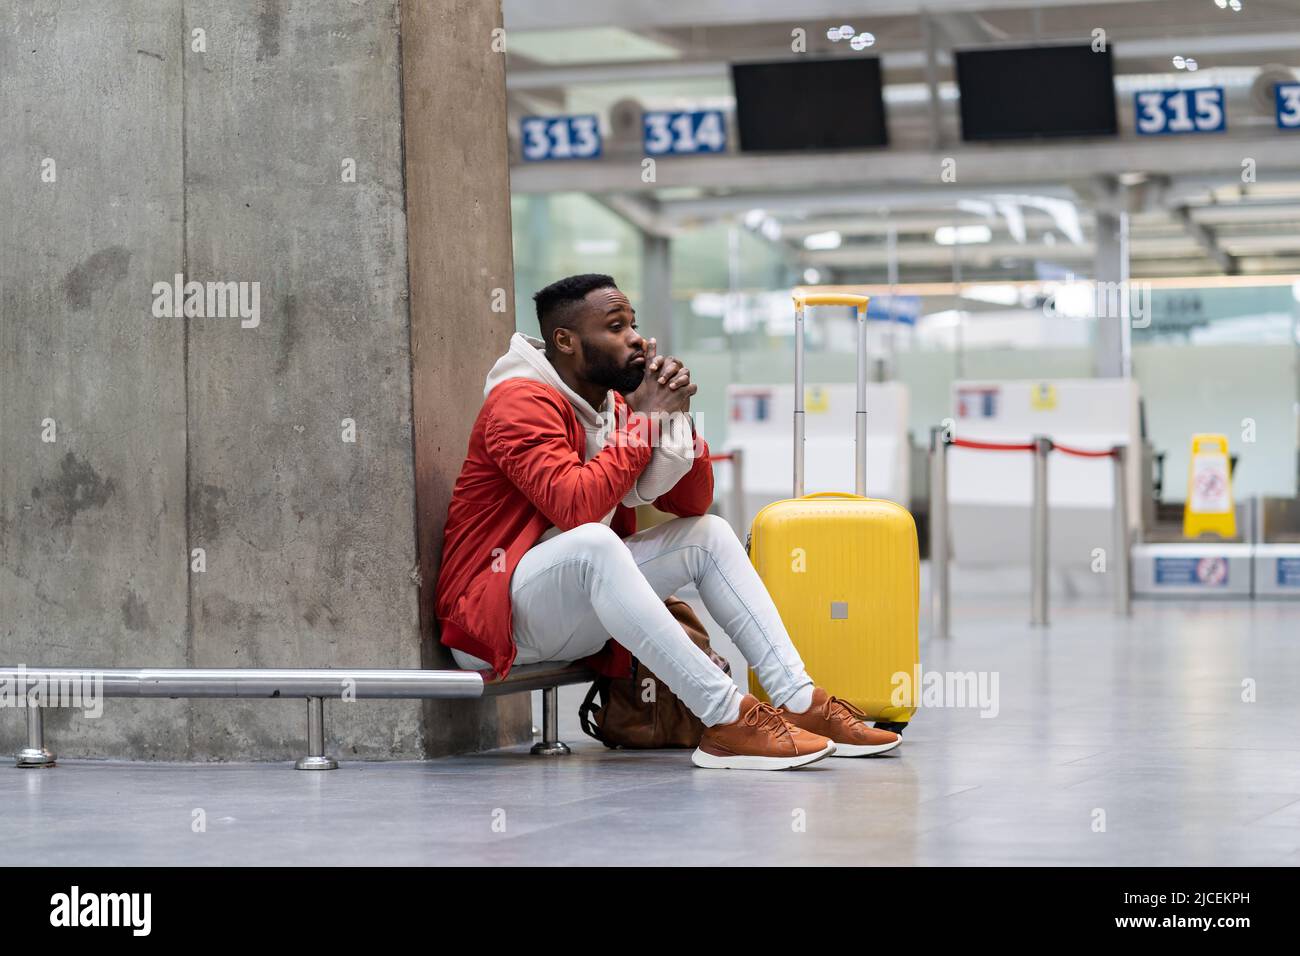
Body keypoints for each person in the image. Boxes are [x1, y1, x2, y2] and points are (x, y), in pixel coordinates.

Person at [435, 274, 900, 770]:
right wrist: (645, 421)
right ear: (565, 341)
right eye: (616, 327)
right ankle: (725, 720)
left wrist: (676, 418)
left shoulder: (612, 407)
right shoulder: (519, 402)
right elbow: (577, 509)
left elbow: (693, 502)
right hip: (496, 621)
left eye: (633, 324)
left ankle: (801, 700)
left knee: (710, 534)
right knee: (594, 542)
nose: (637, 339)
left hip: (572, 615)